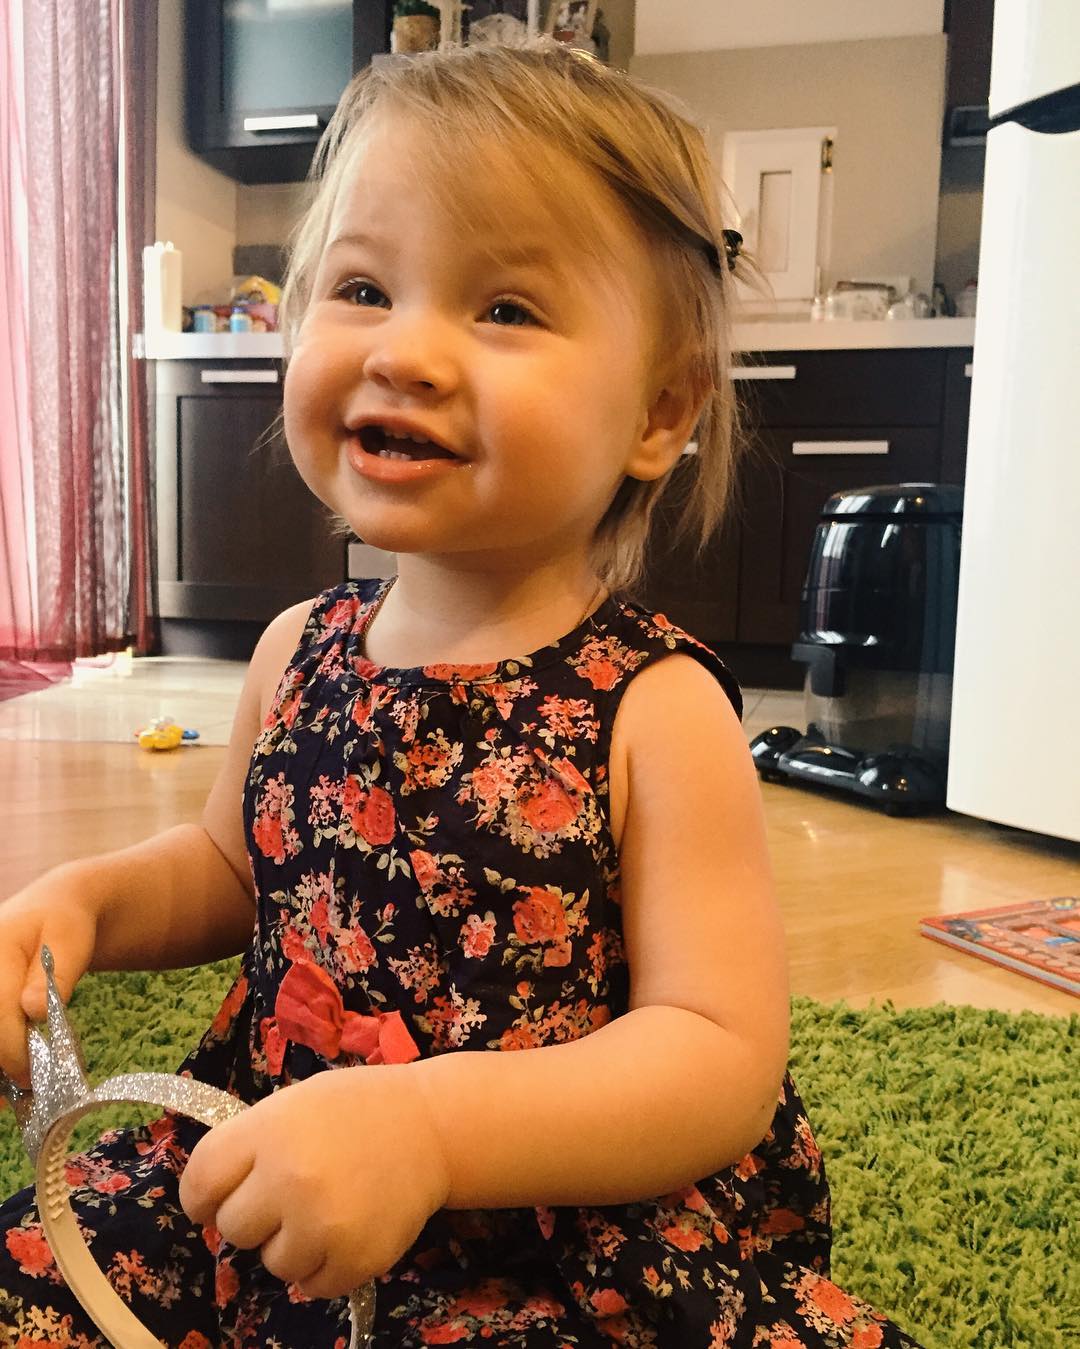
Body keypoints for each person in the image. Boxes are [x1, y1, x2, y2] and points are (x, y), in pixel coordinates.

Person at [0, 41, 922, 1348]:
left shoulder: (655, 706)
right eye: (364, 287)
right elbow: (230, 868)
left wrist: (428, 1131)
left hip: (543, 1224)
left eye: (504, 309)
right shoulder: (296, 648)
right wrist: (82, 903)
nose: (409, 352)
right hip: (278, 1162)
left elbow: (717, 1053)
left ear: (659, 413)